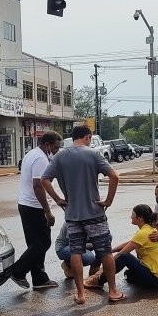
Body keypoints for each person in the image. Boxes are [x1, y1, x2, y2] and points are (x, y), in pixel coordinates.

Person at [41, 125, 124, 304]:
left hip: (72, 215)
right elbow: (114, 176)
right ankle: (113, 291)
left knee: (76, 253)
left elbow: (44, 179)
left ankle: (80, 294)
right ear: (88, 137)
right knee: (105, 252)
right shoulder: (93, 154)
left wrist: (57, 199)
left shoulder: (59, 156)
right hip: (94, 213)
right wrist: (108, 201)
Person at [10, 131, 63, 291]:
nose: (56, 150)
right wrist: (47, 210)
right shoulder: (40, 158)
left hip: (26, 205)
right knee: (43, 243)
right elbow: (38, 185)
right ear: (47, 144)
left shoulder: (33, 153)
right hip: (34, 207)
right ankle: (17, 271)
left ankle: (39, 278)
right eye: (55, 147)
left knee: (35, 244)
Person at [83, 204, 158, 289]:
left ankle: (99, 281)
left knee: (124, 257)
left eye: (133, 214)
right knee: (128, 274)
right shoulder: (148, 229)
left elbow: (121, 253)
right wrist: (110, 251)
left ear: (140, 218)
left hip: (156, 279)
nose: (131, 217)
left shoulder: (143, 233)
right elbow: (129, 243)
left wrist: (100, 272)